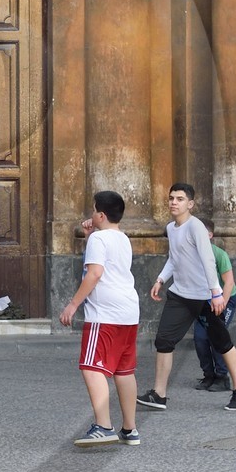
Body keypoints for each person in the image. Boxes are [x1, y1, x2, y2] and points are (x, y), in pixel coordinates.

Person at [139, 183, 236, 412]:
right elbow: (174, 258)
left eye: (180, 199)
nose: (174, 202)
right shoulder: (172, 228)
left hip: (205, 297)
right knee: (163, 341)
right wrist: (160, 280)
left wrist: (216, 293)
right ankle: (159, 394)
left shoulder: (196, 227)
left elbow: (208, 260)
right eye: (171, 198)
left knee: (221, 342)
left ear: (190, 204)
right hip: (180, 295)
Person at [59, 191, 141, 447]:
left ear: (101, 215)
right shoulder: (122, 238)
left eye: (93, 210)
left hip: (105, 313)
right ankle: (130, 429)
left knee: (91, 367)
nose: (90, 215)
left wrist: (73, 304)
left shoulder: (99, 239)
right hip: (128, 311)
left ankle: (104, 425)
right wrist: (89, 236)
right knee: (123, 370)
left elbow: (94, 273)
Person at [191, 219, 236, 392]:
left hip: (225, 299)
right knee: (200, 338)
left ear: (209, 235)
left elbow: (229, 282)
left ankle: (222, 376)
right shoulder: (193, 255)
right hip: (204, 301)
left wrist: (222, 304)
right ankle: (208, 375)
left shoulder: (219, 254)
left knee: (216, 336)